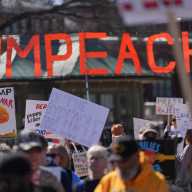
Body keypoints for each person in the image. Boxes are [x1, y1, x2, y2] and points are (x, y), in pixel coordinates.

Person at [95, 136, 170, 192]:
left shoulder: (157, 181)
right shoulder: (108, 180)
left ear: (137, 157)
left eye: (124, 161)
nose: (121, 166)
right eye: (117, 161)